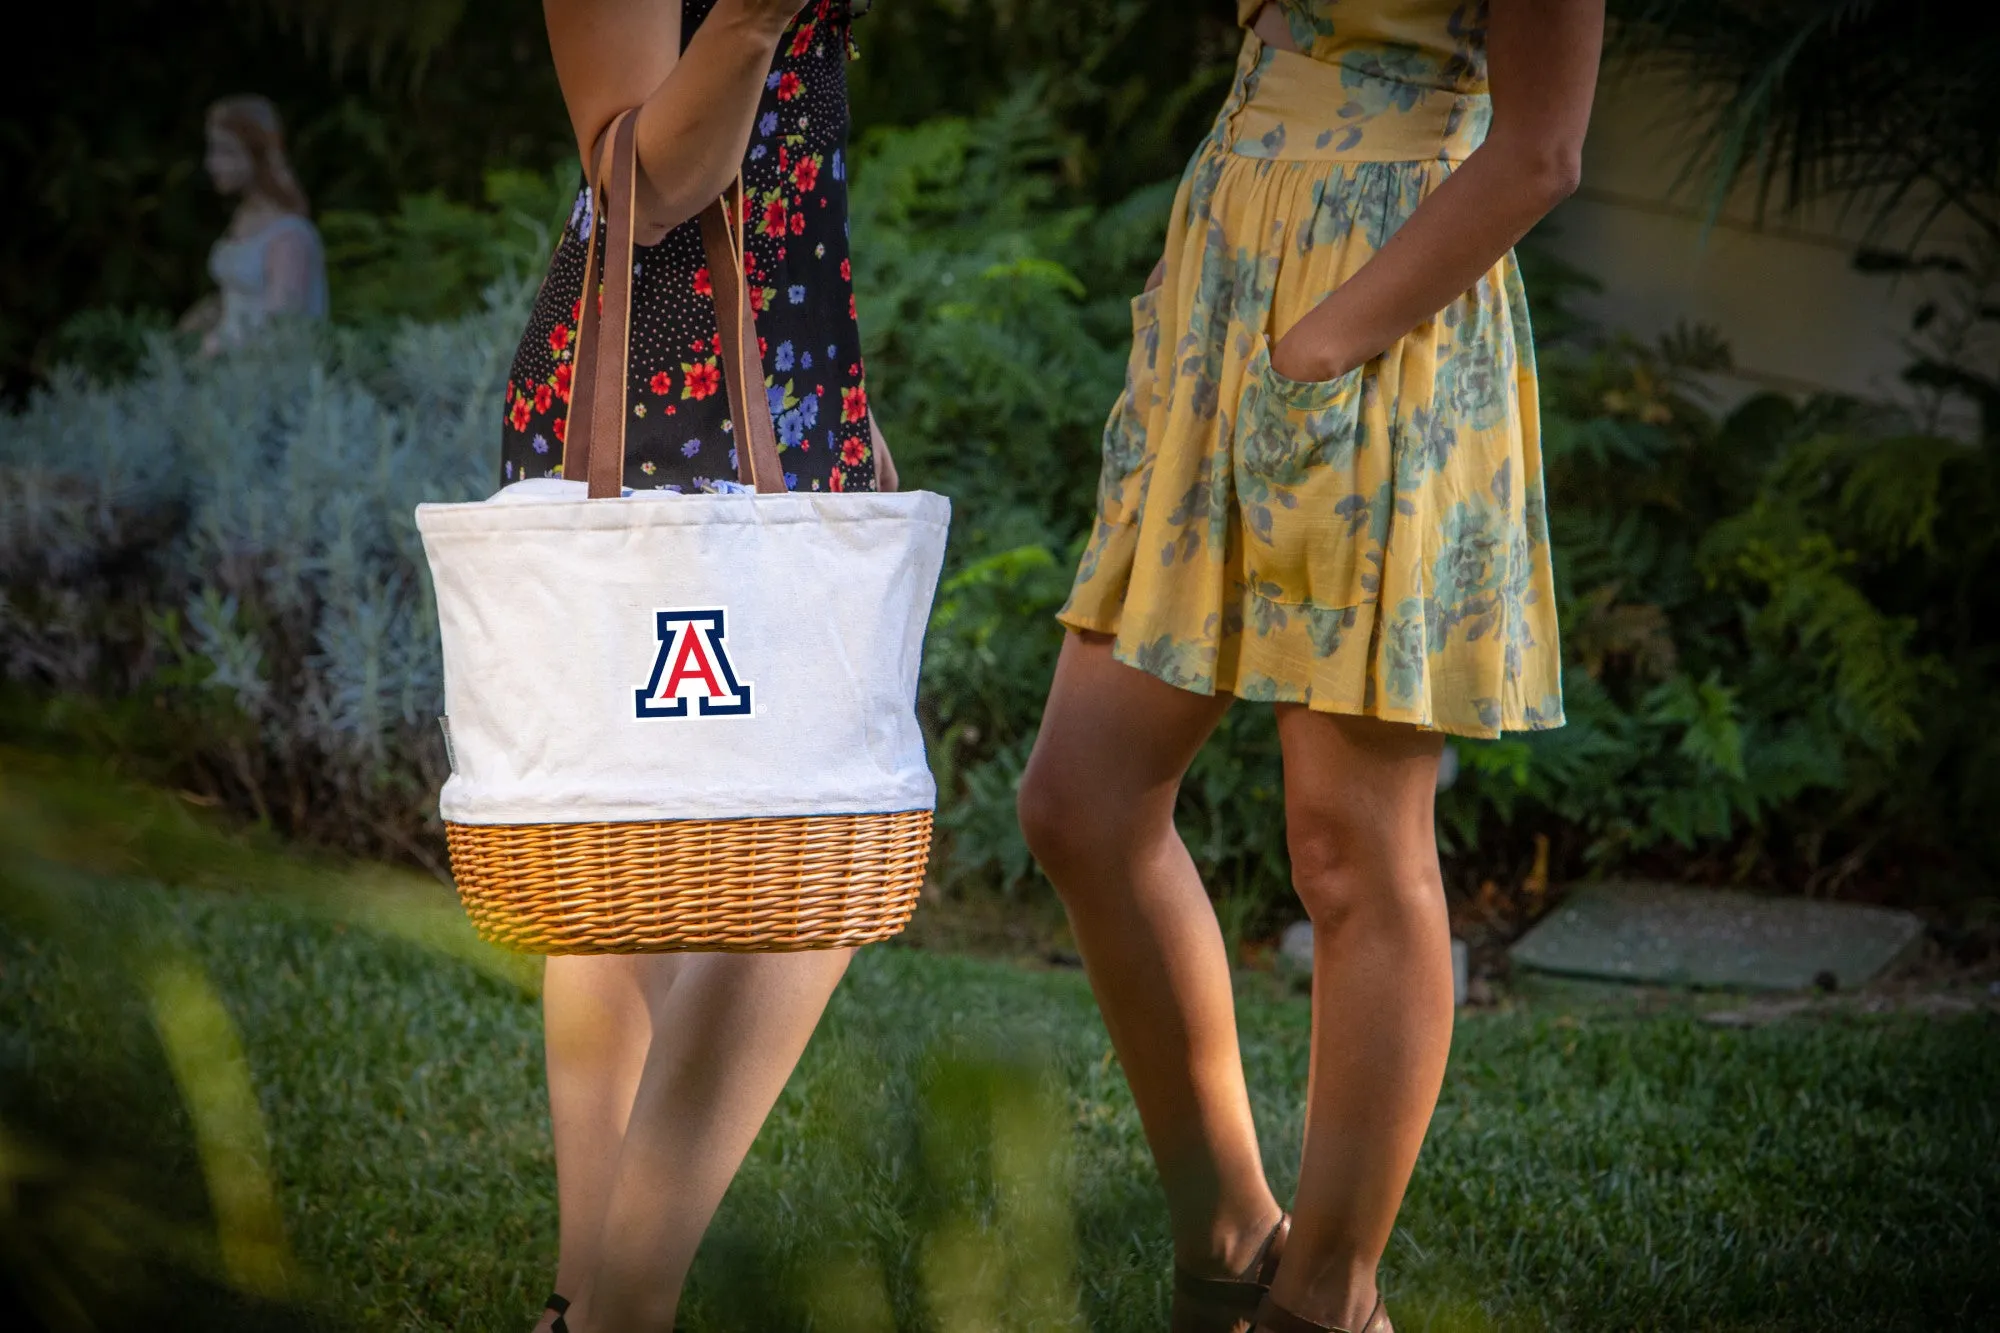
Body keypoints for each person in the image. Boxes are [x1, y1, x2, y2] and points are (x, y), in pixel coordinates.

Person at [1016, 2, 1601, 1331]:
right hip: (1226, 273)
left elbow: (1543, 149)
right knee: (1082, 803)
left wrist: (1321, 343)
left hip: (1381, 312)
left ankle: (1327, 1296)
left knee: (1350, 842)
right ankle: (1228, 1243)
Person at [501, 4, 891, 1331]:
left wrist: (848, 397)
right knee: (730, 857)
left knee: (698, 867)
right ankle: (624, 1305)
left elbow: (801, 148)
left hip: (794, 369)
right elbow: (652, 181)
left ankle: (586, 1303)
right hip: (650, 389)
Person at [180, 95, 329, 356]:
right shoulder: (244, 215)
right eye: (212, 149)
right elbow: (237, 298)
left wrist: (211, 348)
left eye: (225, 151)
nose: (212, 163)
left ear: (255, 153)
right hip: (226, 366)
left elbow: (281, 324)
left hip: (267, 374)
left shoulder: (289, 234)